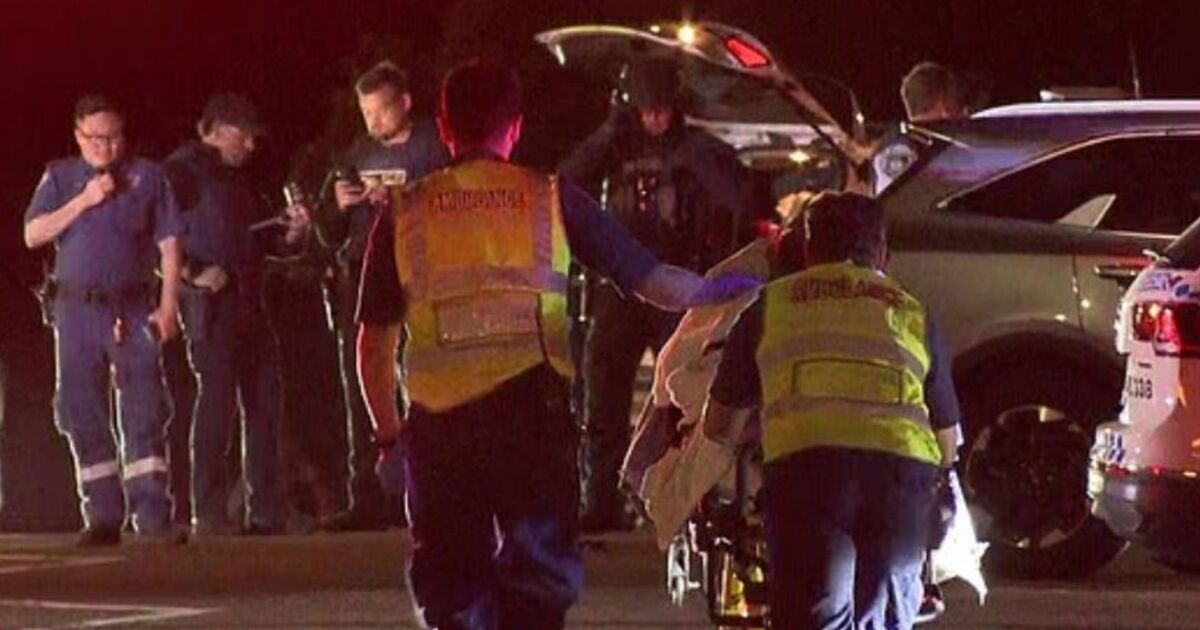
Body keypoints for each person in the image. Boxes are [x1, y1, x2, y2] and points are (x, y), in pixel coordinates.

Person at [356, 58, 758, 630]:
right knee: (536, 590)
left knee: (453, 591)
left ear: (443, 128)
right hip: (530, 421)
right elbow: (655, 282)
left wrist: (389, 438)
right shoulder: (548, 198)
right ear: (515, 127)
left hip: (440, 432)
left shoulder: (405, 211)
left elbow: (373, 345)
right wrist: (730, 288)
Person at [705, 192, 962, 629]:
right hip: (899, 482)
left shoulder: (771, 306)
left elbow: (718, 427)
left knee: (815, 614)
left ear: (808, 251)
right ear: (882, 254)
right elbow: (947, 442)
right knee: (884, 617)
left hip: (807, 476)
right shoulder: (913, 312)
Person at [560, 55, 751, 532]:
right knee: (603, 397)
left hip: (679, 284)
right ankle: (600, 499)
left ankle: (680, 500)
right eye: (646, 110)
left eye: (662, 109)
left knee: (682, 399)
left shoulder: (697, 148)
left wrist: (697, 162)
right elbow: (564, 183)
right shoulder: (615, 146)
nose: (655, 119)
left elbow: (741, 196)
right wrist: (609, 133)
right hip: (620, 289)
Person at [23, 95, 184, 546]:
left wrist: (169, 306)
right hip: (76, 310)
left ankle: (152, 515)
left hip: (131, 307)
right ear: (78, 137)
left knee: (145, 405)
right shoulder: (60, 177)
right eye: (95, 137)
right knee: (79, 407)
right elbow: (33, 234)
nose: (104, 145)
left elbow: (170, 243)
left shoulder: (148, 177)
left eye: (113, 136)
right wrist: (83, 201)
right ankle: (102, 514)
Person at [164, 93, 311, 536]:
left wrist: (291, 233)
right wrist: (193, 273)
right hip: (212, 307)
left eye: (253, 137)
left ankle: (267, 509)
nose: (250, 144)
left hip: (250, 301)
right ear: (213, 130)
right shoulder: (181, 172)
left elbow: (266, 241)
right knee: (218, 403)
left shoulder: (241, 181)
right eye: (241, 134)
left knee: (265, 402)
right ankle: (209, 511)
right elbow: (157, 235)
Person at [318, 60, 449, 532]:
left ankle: (432, 492)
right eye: (366, 112)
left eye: (381, 110)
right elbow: (327, 231)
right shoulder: (357, 153)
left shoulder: (436, 146)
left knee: (429, 382)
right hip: (366, 275)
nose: (373, 122)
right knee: (364, 382)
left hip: (426, 275)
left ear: (405, 103)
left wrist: (404, 199)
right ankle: (369, 495)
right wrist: (339, 205)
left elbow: (457, 201)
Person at [873, 61, 968, 195]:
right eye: (956, 99)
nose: (963, 113)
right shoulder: (906, 151)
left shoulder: (897, 146)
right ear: (943, 103)